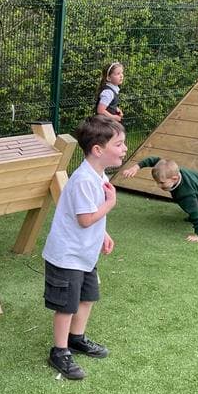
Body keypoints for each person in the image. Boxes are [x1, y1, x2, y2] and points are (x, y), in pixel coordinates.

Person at [42, 115, 126, 380]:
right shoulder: (84, 180)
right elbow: (85, 218)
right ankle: (59, 351)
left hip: (84, 255)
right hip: (67, 256)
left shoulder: (98, 174)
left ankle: (76, 339)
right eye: (120, 144)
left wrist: (103, 234)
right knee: (67, 305)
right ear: (98, 150)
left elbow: (91, 217)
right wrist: (110, 204)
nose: (124, 148)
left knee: (87, 298)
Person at [121, 156, 198, 242]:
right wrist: (135, 167)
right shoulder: (168, 169)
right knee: (192, 202)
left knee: (192, 207)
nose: (158, 186)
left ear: (175, 178)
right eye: (157, 182)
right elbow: (153, 160)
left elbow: (197, 213)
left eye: (161, 182)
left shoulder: (185, 193)